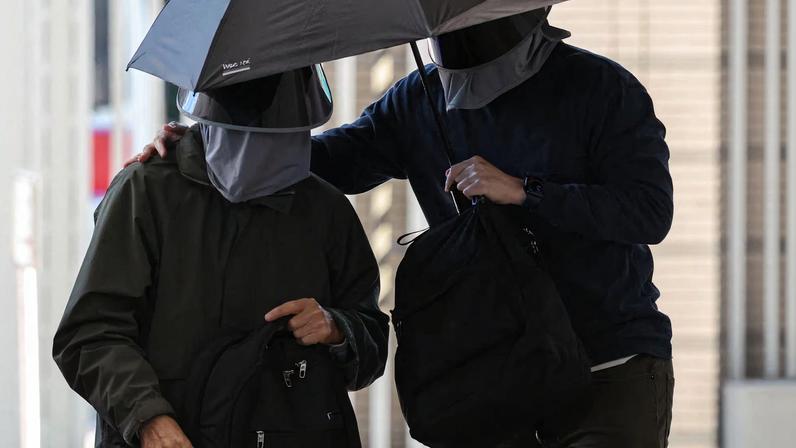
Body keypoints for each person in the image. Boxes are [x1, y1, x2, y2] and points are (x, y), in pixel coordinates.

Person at [134, 7, 675, 448]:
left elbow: (650, 211)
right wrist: (208, 148)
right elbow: (328, 162)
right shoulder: (420, 98)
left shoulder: (601, 89)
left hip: (606, 365)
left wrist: (525, 190)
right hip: (496, 372)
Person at [55, 66, 389, 447]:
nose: (267, 156)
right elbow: (88, 334)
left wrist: (336, 327)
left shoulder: (325, 210)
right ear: (210, 123)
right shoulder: (147, 192)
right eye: (250, 138)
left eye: (283, 140)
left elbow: (373, 339)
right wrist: (148, 419)